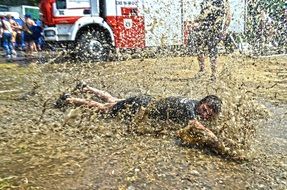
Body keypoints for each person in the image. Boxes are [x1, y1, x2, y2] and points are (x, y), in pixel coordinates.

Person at [54, 81, 223, 149]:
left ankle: (86, 88)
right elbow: (200, 128)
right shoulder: (190, 110)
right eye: (205, 108)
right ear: (201, 102)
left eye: (210, 113)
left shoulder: (194, 104)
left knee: (113, 100)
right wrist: (222, 145)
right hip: (141, 105)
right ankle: (69, 99)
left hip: (146, 101)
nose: (206, 114)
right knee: (105, 109)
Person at [193, 0, 231, 81]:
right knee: (199, 49)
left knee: (212, 50)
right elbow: (202, 14)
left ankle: (214, 74)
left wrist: (224, 30)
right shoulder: (206, 1)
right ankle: (202, 70)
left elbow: (228, 16)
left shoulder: (223, 1)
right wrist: (196, 23)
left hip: (215, 28)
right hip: (203, 28)